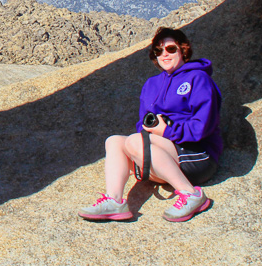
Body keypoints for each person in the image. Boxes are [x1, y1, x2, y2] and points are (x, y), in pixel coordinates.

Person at [79, 27, 222, 222]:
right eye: (158, 50)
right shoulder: (151, 84)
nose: (164, 54)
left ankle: (191, 194)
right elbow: (143, 123)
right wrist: (153, 132)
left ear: (183, 49)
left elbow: (202, 126)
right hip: (165, 155)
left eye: (171, 49)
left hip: (196, 156)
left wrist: (167, 130)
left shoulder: (198, 78)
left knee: (135, 142)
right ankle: (115, 201)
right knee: (114, 141)